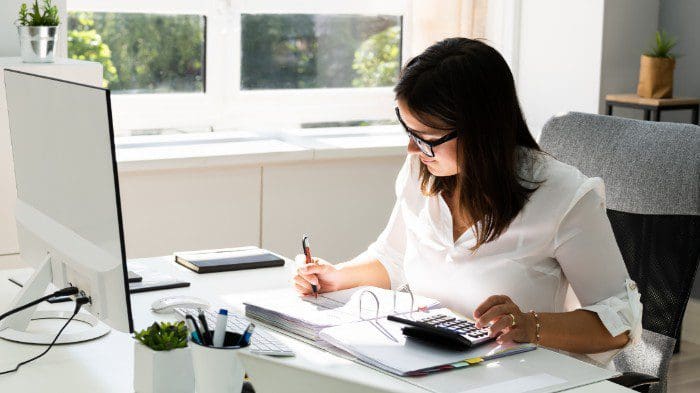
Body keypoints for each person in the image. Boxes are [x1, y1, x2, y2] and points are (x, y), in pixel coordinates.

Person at [292, 37, 642, 361]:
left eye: (426, 136)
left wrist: (529, 325)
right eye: (409, 131)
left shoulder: (565, 197)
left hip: (521, 375)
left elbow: (621, 323)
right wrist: (336, 277)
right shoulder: (423, 171)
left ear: (480, 131)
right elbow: (393, 258)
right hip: (432, 360)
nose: (412, 148)